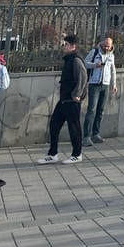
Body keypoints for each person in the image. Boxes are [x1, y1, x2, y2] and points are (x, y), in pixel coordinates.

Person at [38, 34, 88, 165]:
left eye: (66, 44)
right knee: (54, 124)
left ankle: (77, 154)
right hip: (64, 99)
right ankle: (52, 153)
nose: (63, 47)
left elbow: (82, 78)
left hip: (71, 100)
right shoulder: (68, 59)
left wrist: (77, 94)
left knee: (74, 128)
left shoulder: (76, 60)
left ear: (73, 46)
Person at [83, 36, 117, 146]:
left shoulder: (111, 55)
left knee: (100, 110)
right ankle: (86, 136)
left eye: (109, 46)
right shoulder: (95, 52)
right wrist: (95, 65)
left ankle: (96, 133)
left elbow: (113, 70)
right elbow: (85, 63)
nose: (107, 48)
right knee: (91, 110)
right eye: (105, 45)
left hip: (105, 84)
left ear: (111, 46)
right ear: (102, 44)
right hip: (94, 84)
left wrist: (113, 84)